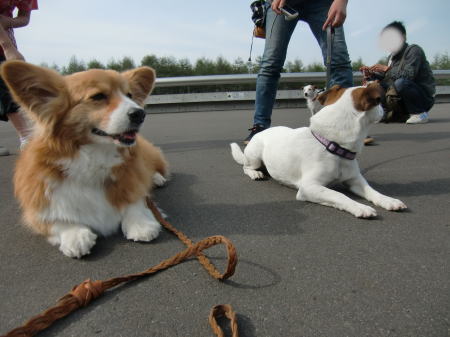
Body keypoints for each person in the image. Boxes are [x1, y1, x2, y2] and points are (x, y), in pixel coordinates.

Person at [244, 0, 353, 143]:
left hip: (323, 3)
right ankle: (260, 127)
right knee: (270, 64)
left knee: (339, 61)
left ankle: (344, 126)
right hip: (282, 3)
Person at [361, 21, 435, 124]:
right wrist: (371, 76)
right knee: (374, 85)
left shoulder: (414, 50)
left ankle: (419, 113)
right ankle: (385, 114)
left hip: (423, 98)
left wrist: (387, 69)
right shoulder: (391, 57)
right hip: (402, 97)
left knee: (401, 83)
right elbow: (387, 79)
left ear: (403, 37)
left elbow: (408, 76)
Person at [0, 0, 38, 156]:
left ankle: (27, 137)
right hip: (5, 44)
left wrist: (7, 21)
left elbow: (24, 18)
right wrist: (8, 47)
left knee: (8, 86)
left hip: (4, 42)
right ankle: (26, 137)